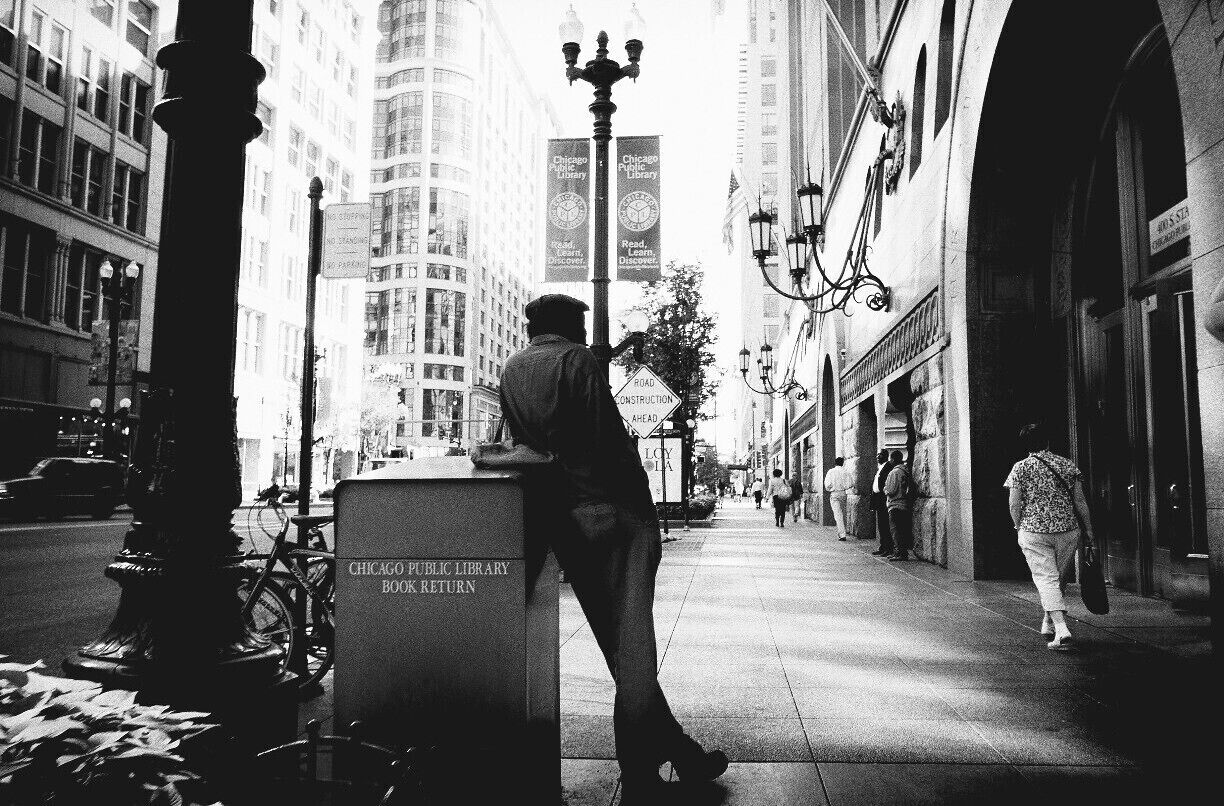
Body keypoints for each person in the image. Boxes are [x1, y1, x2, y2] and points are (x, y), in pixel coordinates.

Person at [498, 294, 727, 801]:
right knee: (634, 649)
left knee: (620, 649)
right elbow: (607, 442)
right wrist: (642, 509)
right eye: (580, 324)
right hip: (614, 513)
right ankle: (641, 768)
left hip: (565, 521)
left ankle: (679, 751)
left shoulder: (512, 370)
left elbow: (521, 443)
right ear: (567, 325)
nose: (586, 333)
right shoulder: (577, 361)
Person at [1005, 423, 1095, 650]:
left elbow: (1014, 503)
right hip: (1067, 530)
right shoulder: (1067, 464)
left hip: (1033, 530)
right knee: (1058, 578)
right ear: (1047, 441)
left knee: (1046, 579)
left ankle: (1062, 630)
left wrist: (1018, 526)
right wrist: (1089, 529)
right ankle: (1048, 622)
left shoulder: (1021, 468)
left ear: (1026, 444)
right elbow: (1080, 500)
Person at [883, 450, 913, 561]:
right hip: (904, 503)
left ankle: (899, 552)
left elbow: (891, 490)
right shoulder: (905, 471)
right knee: (902, 530)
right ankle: (901, 552)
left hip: (895, 503)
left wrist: (885, 489)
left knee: (896, 530)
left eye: (891, 459)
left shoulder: (894, 472)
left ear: (893, 459)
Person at [870, 450, 895, 556]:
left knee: (885, 524)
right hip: (878, 498)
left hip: (883, 498)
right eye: (877, 455)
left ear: (885, 456)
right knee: (881, 524)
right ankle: (883, 546)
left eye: (879, 455)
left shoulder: (888, 467)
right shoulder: (880, 467)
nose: (877, 457)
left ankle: (888, 548)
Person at [823, 457, 854, 540]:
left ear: (835, 463)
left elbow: (827, 484)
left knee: (838, 514)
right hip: (843, 493)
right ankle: (844, 530)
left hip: (834, 493)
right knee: (843, 513)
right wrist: (844, 486)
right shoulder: (846, 472)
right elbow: (851, 483)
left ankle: (842, 534)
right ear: (842, 463)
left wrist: (831, 488)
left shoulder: (831, 471)